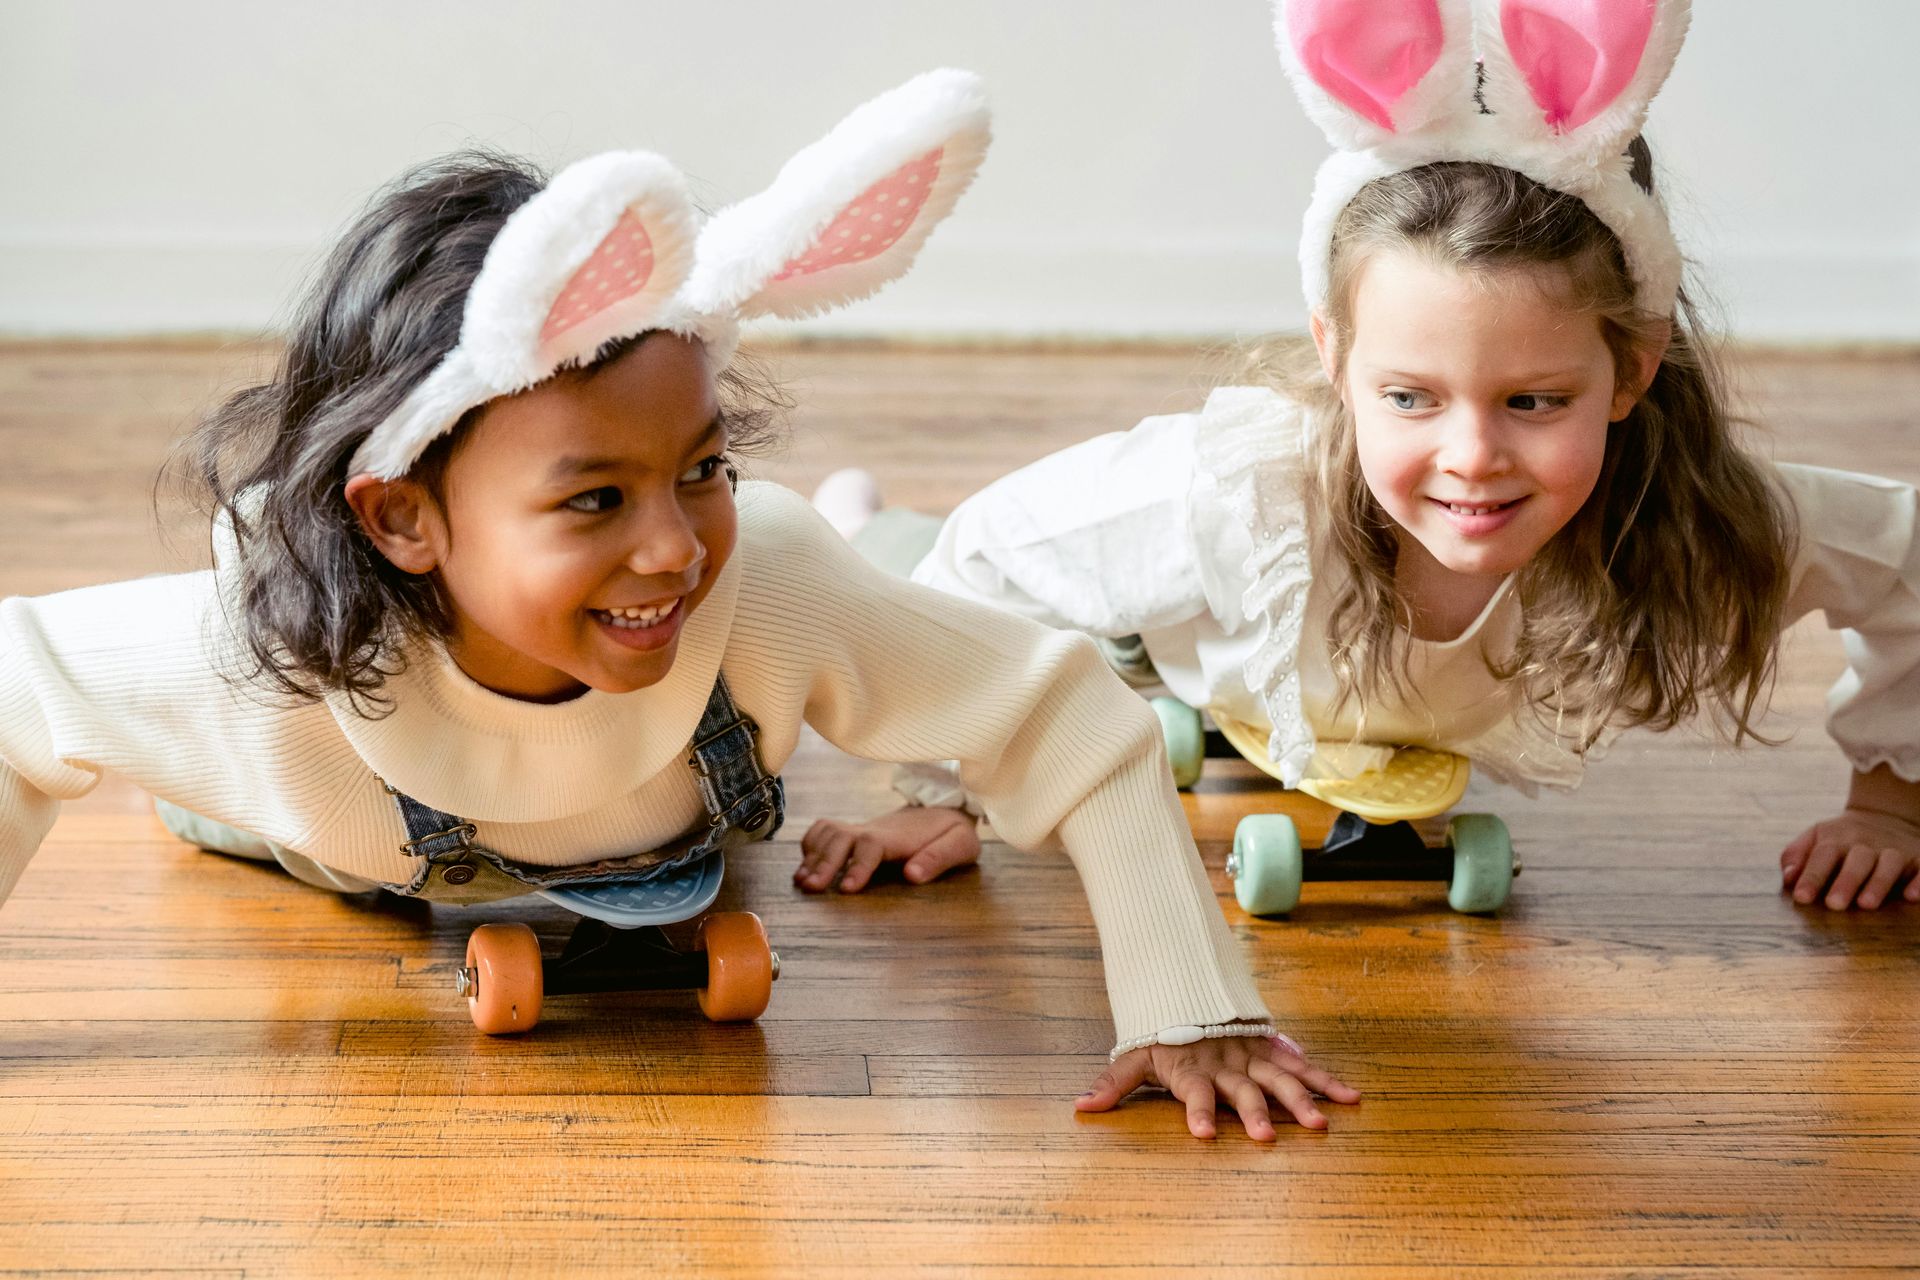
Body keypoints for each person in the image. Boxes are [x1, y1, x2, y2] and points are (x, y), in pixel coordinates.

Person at [0, 71, 1356, 1141]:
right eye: (595, 500)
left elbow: (1079, 719)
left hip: (683, 817)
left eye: (699, 467)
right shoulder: (255, 669)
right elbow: (15, 693)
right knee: (207, 810)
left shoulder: (758, 579)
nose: (671, 548)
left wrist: (1192, 1006)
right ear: (404, 516)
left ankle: (870, 524)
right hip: (340, 834)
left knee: (826, 563)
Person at [810, 0, 1920, 994]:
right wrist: (941, 791)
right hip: (1153, 632)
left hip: (1306, 680)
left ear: (1630, 369)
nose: (1473, 456)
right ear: (1334, 359)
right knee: (900, 579)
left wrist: (1889, 797)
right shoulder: (1233, 498)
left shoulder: (1696, 510)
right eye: (1410, 396)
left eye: (1533, 400)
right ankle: (857, 520)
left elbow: (1904, 557)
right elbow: (998, 552)